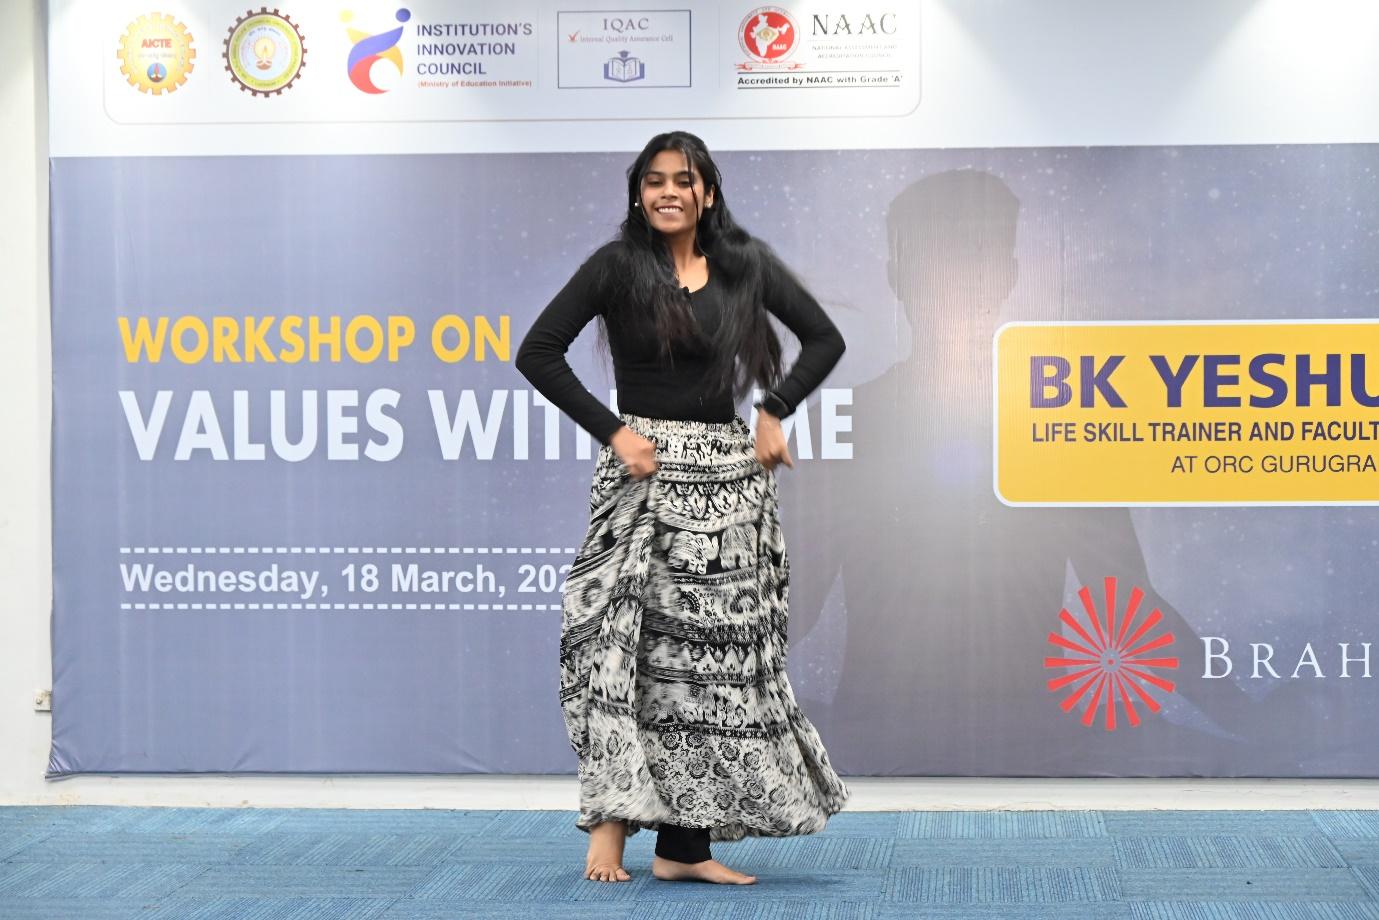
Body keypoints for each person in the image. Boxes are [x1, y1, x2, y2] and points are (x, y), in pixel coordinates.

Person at [515, 131, 849, 885]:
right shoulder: (615, 267)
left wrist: (774, 409)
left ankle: (683, 849)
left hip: (726, 482)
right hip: (644, 477)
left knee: (707, 665)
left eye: (684, 179)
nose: (669, 191)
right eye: (655, 180)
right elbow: (537, 351)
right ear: (638, 193)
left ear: (707, 192)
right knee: (621, 646)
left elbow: (824, 339)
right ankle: (608, 823)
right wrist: (615, 433)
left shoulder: (744, 264)